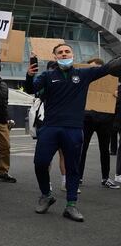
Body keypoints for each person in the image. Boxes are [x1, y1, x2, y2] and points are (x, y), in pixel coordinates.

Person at [26, 44, 121, 221]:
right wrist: (29, 76)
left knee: (73, 168)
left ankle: (71, 205)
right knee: (40, 163)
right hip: (50, 127)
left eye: (67, 51)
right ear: (55, 57)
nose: (64, 54)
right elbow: (31, 89)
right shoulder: (47, 75)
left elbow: (110, 67)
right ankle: (46, 195)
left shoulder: (84, 74)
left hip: (74, 129)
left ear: (73, 55)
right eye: (60, 52)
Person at [78, 58, 119, 189]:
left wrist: (117, 95)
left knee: (104, 150)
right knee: (82, 149)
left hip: (105, 119)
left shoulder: (113, 80)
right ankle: (78, 177)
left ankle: (105, 177)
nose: (92, 71)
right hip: (87, 118)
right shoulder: (84, 81)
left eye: (95, 68)